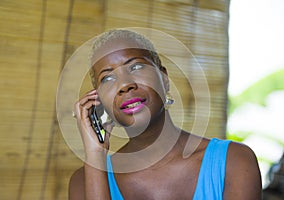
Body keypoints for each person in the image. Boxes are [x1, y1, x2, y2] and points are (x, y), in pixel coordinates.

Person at [69, 29, 262, 200]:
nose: (125, 84)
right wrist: (95, 156)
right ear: (99, 100)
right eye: (108, 78)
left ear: (164, 78)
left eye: (135, 67)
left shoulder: (233, 161)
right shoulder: (84, 181)